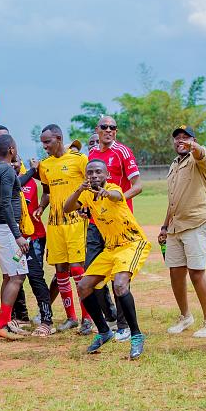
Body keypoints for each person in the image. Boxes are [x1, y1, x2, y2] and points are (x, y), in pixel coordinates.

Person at [63, 159, 150, 359]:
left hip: (131, 243)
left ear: (107, 175)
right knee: (84, 286)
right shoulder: (86, 195)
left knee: (120, 285)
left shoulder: (112, 188)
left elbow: (117, 196)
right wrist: (79, 190)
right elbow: (67, 208)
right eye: (90, 172)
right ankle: (104, 331)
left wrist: (105, 193)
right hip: (110, 248)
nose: (94, 175)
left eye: (98, 172)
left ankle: (136, 335)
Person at [159, 125, 206, 338]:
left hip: (198, 222)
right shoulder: (174, 164)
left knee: (196, 272)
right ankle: (185, 316)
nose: (180, 141)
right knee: (175, 272)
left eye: (186, 137)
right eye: (177, 138)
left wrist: (193, 146)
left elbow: (201, 152)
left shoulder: (199, 159)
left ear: (194, 140)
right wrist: (165, 226)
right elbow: (172, 200)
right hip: (176, 226)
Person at [87, 116, 143, 342]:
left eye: (113, 127)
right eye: (105, 127)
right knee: (91, 272)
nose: (109, 130)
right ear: (97, 130)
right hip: (96, 223)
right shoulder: (92, 154)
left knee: (119, 278)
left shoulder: (122, 152)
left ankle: (124, 325)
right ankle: (109, 317)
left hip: (120, 224)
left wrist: (118, 198)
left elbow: (138, 186)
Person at [35, 124, 92, 333]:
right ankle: (71, 318)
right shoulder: (45, 165)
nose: (45, 146)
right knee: (60, 270)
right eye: (42, 143)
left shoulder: (79, 159)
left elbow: (91, 185)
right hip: (55, 223)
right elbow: (47, 191)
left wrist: (87, 208)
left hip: (76, 221)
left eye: (47, 142)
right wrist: (41, 207)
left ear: (58, 138)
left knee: (77, 269)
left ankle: (88, 318)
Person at [0, 134, 30, 340]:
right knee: (18, 276)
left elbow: (15, 186)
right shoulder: (6, 170)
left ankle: (6, 322)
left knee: (10, 275)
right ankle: (2, 324)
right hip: (6, 230)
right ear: (11, 149)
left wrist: (32, 171)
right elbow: (5, 203)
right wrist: (17, 235)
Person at [12, 155, 54, 337]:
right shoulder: (1, 180)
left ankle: (47, 320)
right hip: (13, 238)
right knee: (13, 277)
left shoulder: (29, 182)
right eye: (9, 162)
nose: (12, 165)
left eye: (15, 161)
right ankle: (20, 316)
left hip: (33, 237)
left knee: (35, 276)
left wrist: (41, 207)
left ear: (21, 163)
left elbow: (46, 190)